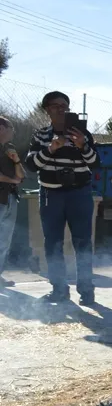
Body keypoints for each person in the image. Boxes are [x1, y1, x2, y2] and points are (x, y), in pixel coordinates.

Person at [25, 91, 99, 305]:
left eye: (65, 105)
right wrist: (51, 148)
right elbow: (31, 165)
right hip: (51, 195)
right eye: (56, 105)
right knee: (53, 243)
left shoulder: (83, 134)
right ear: (47, 109)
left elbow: (95, 164)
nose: (62, 109)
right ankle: (58, 289)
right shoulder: (41, 135)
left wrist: (82, 145)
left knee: (83, 242)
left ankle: (87, 291)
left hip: (80, 193)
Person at [0, 116, 24, 288]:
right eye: (11, 128)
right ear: (2, 129)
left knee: (5, 241)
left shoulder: (10, 149)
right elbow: (15, 179)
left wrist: (16, 160)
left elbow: (21, 175)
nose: (13, 131)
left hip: (9, 198)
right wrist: (12, 180)